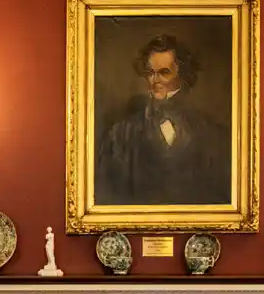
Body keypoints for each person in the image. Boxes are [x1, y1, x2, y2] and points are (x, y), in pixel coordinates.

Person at [95, 35, 231, 206]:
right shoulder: (120, 134)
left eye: (164, 73)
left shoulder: (209, 133)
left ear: (183, 75)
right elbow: (108, 194)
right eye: (150, 73)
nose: (155, 80)